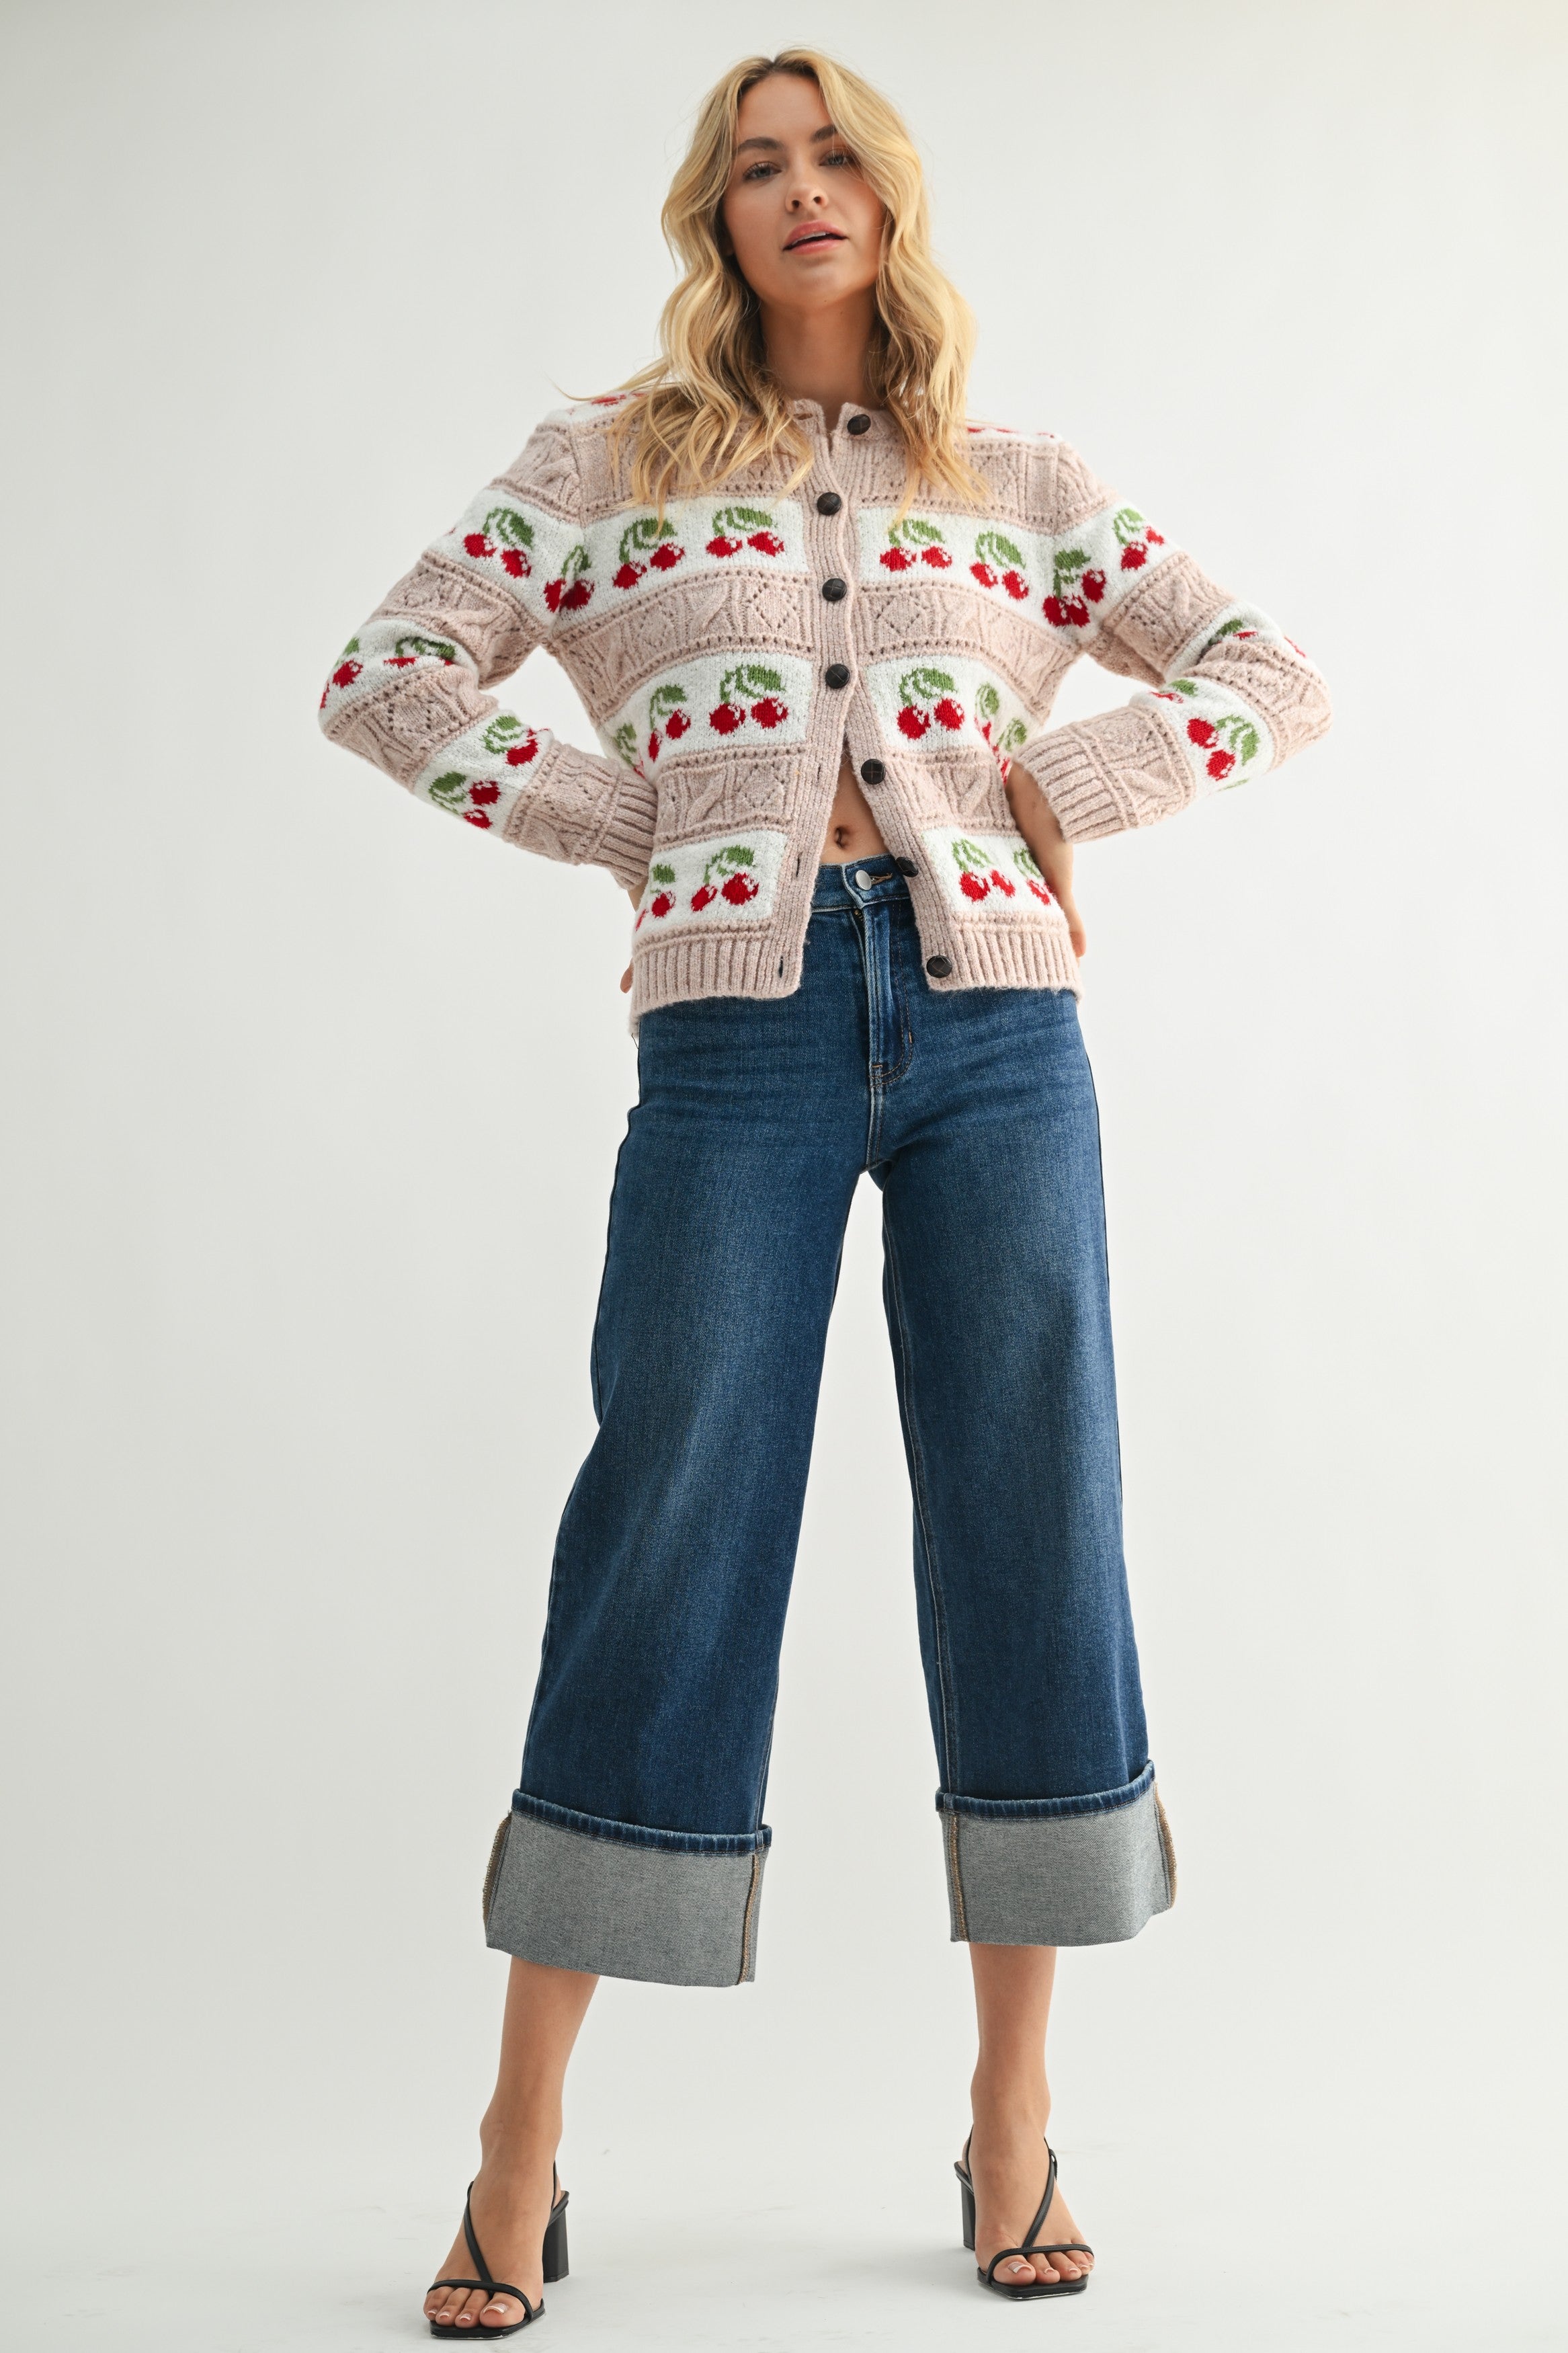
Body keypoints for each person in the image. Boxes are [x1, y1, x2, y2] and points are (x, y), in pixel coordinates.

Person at [317, 48, 1331, 2334]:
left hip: (1001, 1032)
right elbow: (384, 678)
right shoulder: (601, 468)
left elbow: (1268, 672)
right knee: (671, 1505)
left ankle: (1008, 2119)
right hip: (737, 1031)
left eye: (835, 151)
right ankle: (521, 2141)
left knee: (1029, 1509)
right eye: (756, 165)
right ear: (716, 216)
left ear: (891, 192)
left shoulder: (1021, 477)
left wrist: (1059, 776)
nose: (803, 190)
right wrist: (637, 825)